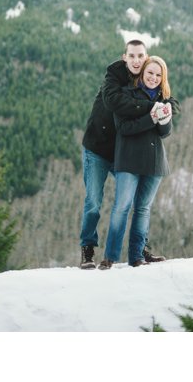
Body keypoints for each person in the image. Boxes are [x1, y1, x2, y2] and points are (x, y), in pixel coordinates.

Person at [78, 40, 178, 269]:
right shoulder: (114, 78)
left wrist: (166, 106)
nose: (136, 60)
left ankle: (140, 250)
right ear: (125, 57)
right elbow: (115, 102)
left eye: (140, 56)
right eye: (131, 56)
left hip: (124, 152)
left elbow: (165, 95)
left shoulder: (148, 79)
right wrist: (153, 109)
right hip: (99, 148)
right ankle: (88, 250)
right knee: (95, 201)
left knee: (140, 204)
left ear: (146, 58)